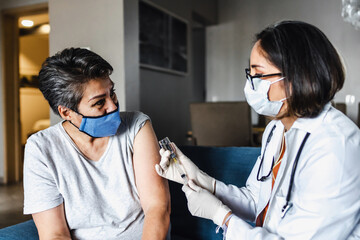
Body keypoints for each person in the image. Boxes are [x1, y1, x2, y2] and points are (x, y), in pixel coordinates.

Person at [156, 20, 360, 239]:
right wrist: (204, 181)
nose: (251, 85)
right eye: (250, 74)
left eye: (259, 75)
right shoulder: (276, 130)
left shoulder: (335, 146)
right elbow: (257, 201)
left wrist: (223, 218)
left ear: (296, 77)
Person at [23, 48, 170, 240]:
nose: (113, 105)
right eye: (99, 102)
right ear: (67, 113)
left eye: (112, 93)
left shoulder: (137, 126)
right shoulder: (41, 149)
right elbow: (54, 234)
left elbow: (157, 207)